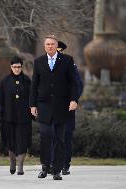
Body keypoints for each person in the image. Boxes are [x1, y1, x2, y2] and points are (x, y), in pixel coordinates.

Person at [30, 35, 78, 180]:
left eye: (52, 44)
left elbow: (73, 83)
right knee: (45, 136)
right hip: (43, 105)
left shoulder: (67, 60)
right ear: (44, 46)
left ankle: (56, 170)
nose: (50, 46)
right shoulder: (38, 62)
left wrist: (74, 100)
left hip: (61, 106)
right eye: (47, 44)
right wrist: (32, 104)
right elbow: (34, 84)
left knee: (59, 138)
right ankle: (45, 167)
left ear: (56, 46)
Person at [0, 56, 32, 175]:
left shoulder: (27, 81)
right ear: (11, 67)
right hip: (8, 116)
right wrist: (0, 112)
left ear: (22, 67)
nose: (17, 69)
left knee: (22, 141)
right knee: (10, 141)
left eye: (19, 67)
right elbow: (0, 98)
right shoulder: (5, 81)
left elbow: (32, 98)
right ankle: (12, 162)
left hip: (24, 117)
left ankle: (20, 166)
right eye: (14, 67)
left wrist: (33, 110)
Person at [56, 41, 83, 175]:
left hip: (67, 107)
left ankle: (65, 165)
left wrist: (73, 100)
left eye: (60, 51)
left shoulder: (70, 66)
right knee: (52, 136)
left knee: (66, 136)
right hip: (52, 108)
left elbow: (78, 85)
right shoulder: (45, 64)